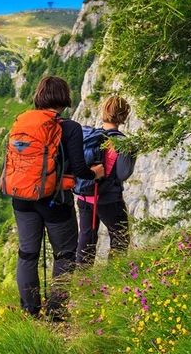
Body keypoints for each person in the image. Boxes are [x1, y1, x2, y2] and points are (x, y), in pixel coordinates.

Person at [9, 76, 105, 319]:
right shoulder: (69, 127)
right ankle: (56, 312)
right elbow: (79, 168)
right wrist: (95, 173)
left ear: (40, 96)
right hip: (56, 200)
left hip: (22, 198)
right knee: (64, 254)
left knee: (27, 253)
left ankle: (30, 311)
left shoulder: (23, 122)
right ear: (64, 98)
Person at [76, 96, 135, 265]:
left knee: (86, 239)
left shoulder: (91, 136)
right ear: (124, 116)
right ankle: (114, 278)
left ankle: (82, 282)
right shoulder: (123, 142)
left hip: (85, 196)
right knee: (120, 237)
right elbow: (123, 174)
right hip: (109, 199)